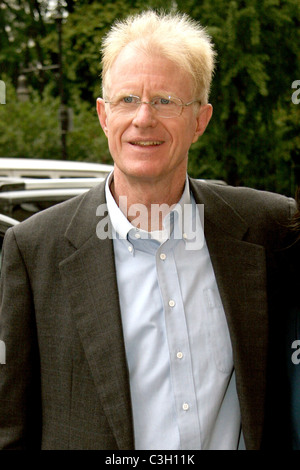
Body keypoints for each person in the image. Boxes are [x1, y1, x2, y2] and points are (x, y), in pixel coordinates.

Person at [0, 10, 296, 450]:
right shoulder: (35, 250)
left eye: (165, 101)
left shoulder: (269, 230)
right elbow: (12, 431)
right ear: (103, 116)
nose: (143, 118)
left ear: (200, 119)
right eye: (126, 100)